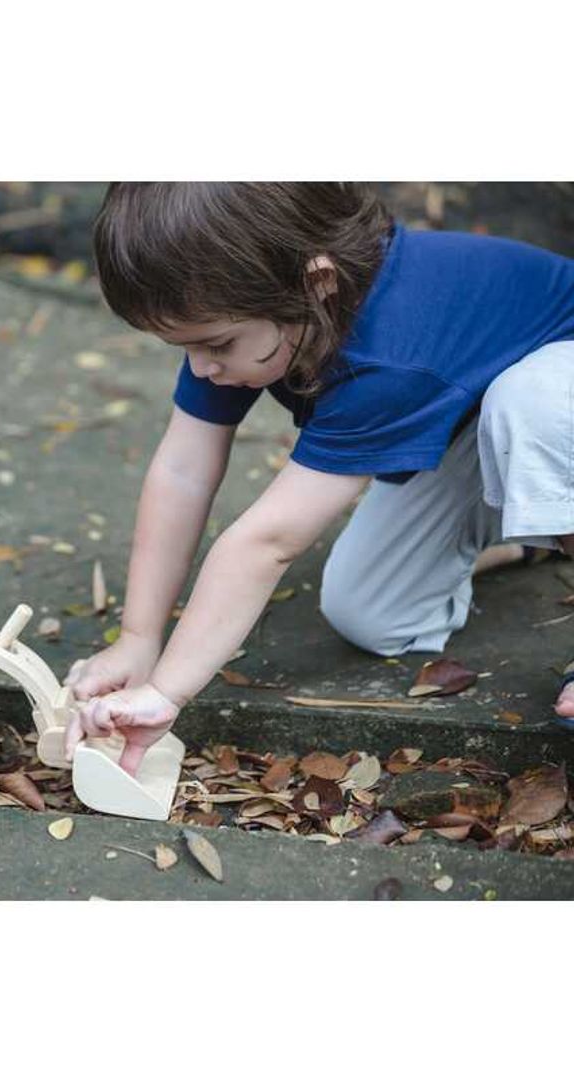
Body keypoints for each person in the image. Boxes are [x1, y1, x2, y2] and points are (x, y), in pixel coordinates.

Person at [63, 182, 574, 776]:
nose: (200, 366)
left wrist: (167, 693)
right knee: (373, 615)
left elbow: (270, 540)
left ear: (317, 283)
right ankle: (535, 529)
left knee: (534, 403)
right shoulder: (257, 306)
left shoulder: (385, 359)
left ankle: (552, 508)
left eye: (215, 345)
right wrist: (138, 637)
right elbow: (182, 468)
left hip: (557, 395)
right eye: (185, 347)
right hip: (472, 418)